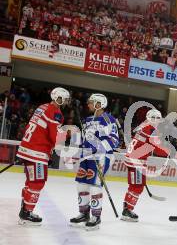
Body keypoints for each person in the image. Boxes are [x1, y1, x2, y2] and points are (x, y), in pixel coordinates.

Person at [17, 87, 70, 225]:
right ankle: (27, 213)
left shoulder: (42, 107)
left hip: (27, 148)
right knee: (37, 182)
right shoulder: (56, 112)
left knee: (30, 182)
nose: (65, 102)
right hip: (37, 152)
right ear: (60, 98)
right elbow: (55, 136)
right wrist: (67, 134)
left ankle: (24, 210)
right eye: (64, 99)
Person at [70, 94, 119, 231]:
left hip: (101, 156)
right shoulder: (87, 119)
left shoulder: (108, 119)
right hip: (87, 156)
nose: (88, 104)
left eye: (91, 102)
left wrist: (97, 147)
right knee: (81, 186)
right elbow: (85, 138)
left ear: (99, 104)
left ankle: (96, 217)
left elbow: (114, 141)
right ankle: (83, 214)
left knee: (95, 186)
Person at [122, 109, 169, 222]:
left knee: (135, 186)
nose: (156, 121)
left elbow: (147, 144)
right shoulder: (150, 129)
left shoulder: (143, 126)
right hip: (136, 162)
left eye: (157, 118)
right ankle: (127, 210)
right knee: (137, 187)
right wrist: (168, 152)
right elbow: (157, 148)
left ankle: (126, 208)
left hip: (133, 160)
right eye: (155, 118)